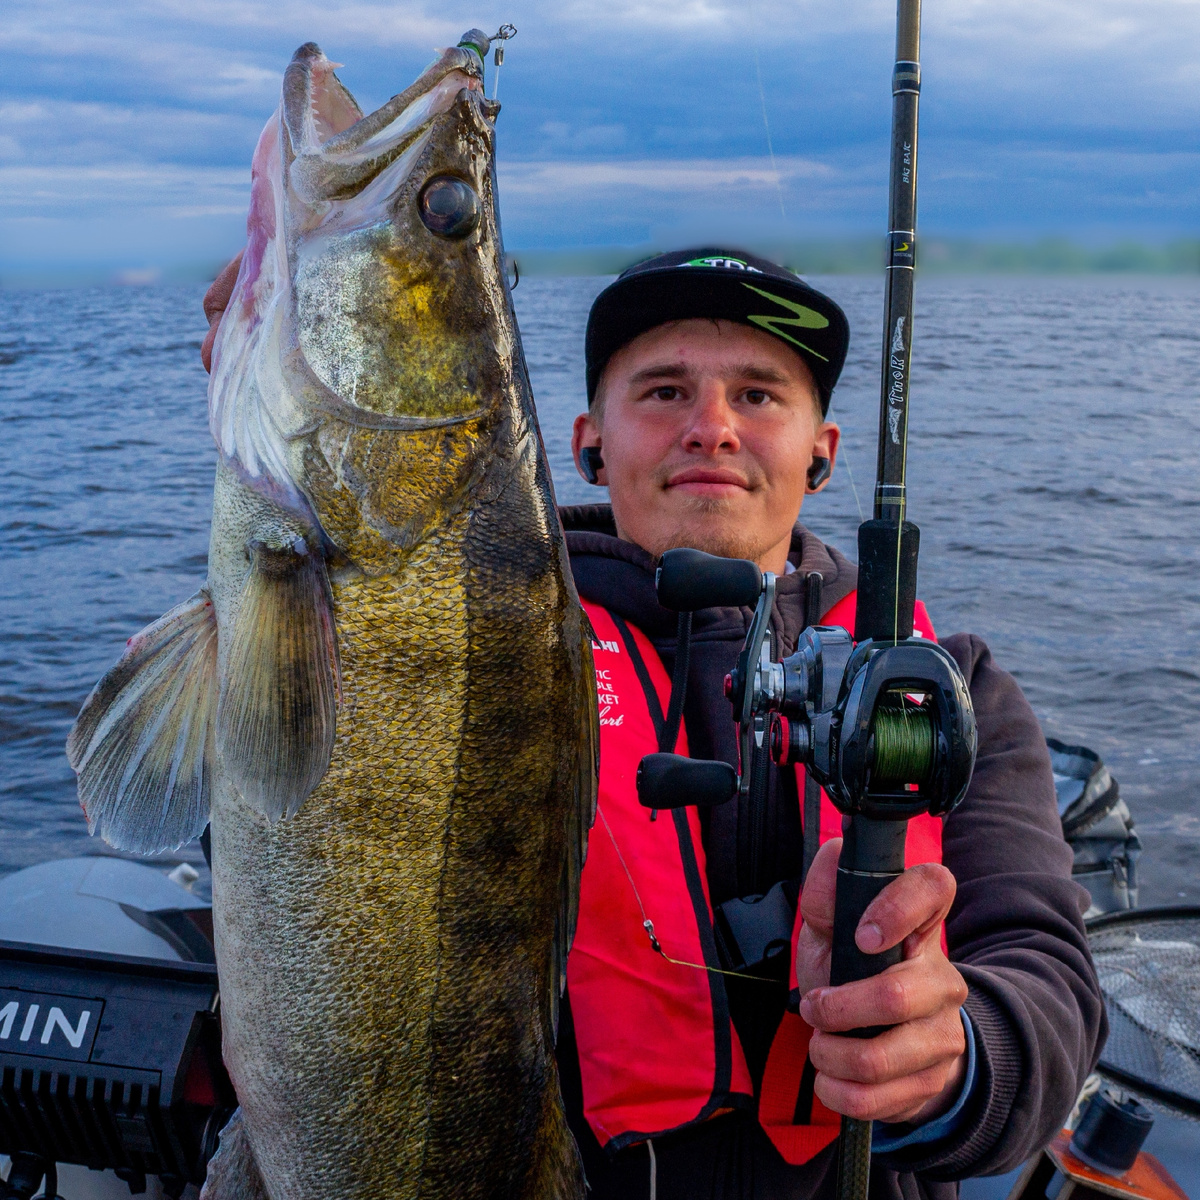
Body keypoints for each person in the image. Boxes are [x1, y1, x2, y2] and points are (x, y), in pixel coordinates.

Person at [202, 248, 1105, 1200]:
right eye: (665, 391)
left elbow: (1046, 978)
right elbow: (282, 837)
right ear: (590, 442)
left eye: (758, 395)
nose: (711, 427)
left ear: (823, 451)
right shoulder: (447, 648)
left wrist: (953, 1056)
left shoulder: (952, 691)